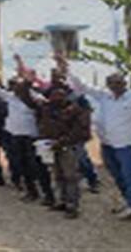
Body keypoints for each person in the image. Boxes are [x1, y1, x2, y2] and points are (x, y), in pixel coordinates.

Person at [59, 54, 131, 220]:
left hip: (126, 145)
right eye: (111, 83)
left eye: (117, 82)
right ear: (107, 85)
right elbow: (82, 86)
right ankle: (128, 201)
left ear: (124, 83)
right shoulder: (104, 96)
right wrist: (66, 68)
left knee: (130, 176)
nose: (114, 86)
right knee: (117, 175)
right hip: (107, 143)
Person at [0, 58, 55, 205]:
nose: (15, 87)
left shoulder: (35, 97)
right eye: (14, 85)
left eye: (17, 85)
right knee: (22, 165)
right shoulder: (10, 97)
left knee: (38, 166)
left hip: (32, 137)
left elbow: (46, 107)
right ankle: (31, 192)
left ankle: (48, 195)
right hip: (15, 136)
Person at [35, 82, 91, 219]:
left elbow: (79, 131)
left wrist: (62, 141)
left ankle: (72, 205)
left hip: (68, 146)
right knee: (58, 175)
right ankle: (62, 201)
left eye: (60, 94)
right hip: (51, 146)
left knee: (70, 176)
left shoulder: (75, 110)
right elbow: (41, 123)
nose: (57, 97)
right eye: (54, 94)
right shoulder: (47, 109)